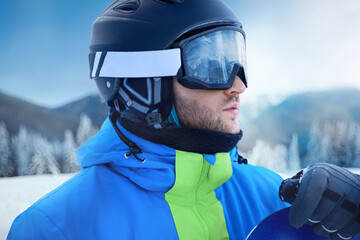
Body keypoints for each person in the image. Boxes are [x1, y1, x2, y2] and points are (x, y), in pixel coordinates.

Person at [7, 0, 360, 239]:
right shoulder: (56, 228)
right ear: (144, 84)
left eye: (237, 60)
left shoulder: (275, 195)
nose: (239, 84)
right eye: (211, 65)